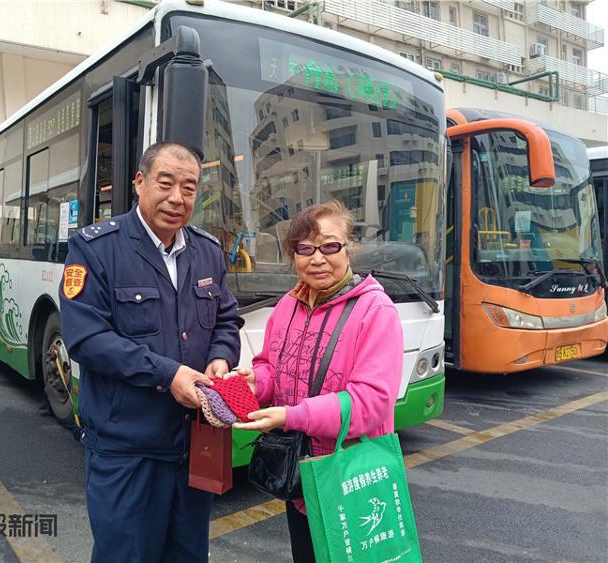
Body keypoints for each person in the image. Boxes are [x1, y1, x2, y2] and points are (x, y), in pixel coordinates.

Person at [59, 141, 243, 563]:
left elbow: (226, 320)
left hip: (195, 444)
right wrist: (168, 373)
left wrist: (220, 356)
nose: (177, 198)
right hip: (127, 451)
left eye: (189, 188)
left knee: (188, 555)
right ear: (139, 183)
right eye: (165, 183)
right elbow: (86, 338)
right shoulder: (95, 248)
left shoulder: (208, 252)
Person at [232, 200, 403, 563]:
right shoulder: (287, 307)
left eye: (329, 246)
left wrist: (290, 416)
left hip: (350, 476)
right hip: (303, 478)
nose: (317, 258)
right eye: (304, 249)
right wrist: (255, 382)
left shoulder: (376, 312)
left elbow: (369, 403)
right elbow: (270, 368)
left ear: (349, 247)